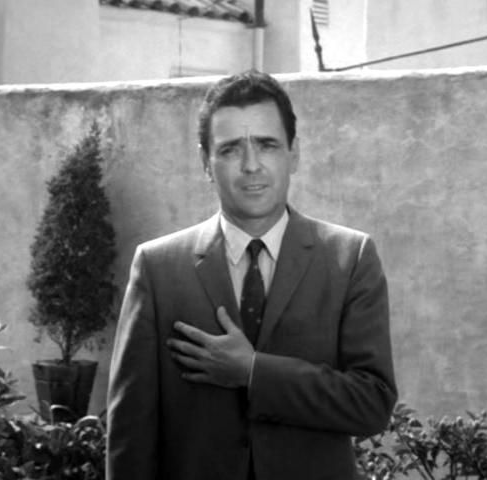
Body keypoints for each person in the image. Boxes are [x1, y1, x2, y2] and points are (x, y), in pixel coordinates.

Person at [106, 70, 397, 480]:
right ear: (205, 162)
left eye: (267, 144)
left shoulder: (349, 259)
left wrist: (253, 371)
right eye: (230, 149)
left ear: (294, 153)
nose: (251, 165)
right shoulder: (158, 268)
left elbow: (372, 404)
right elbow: (130, 435)